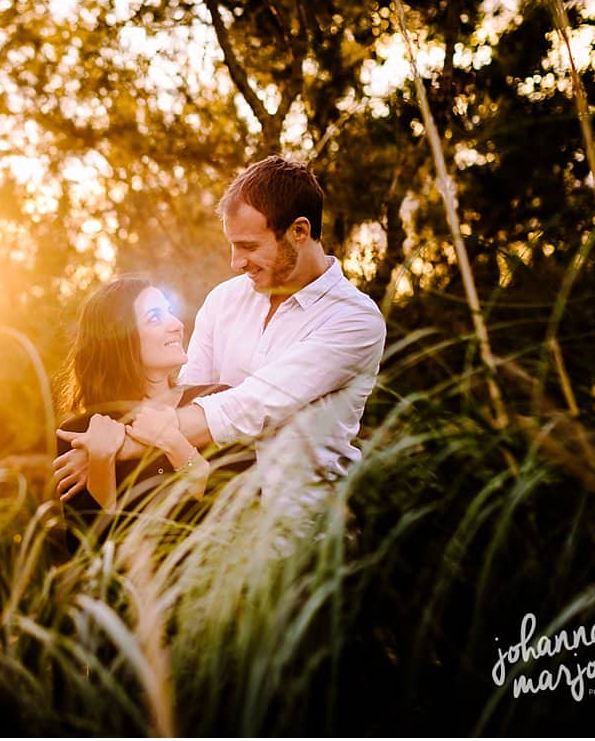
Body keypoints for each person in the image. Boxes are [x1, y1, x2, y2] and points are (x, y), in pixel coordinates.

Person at [55, 155, 387, 508]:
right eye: (232, 244)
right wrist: (102, 458)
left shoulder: (353, 319)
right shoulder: (225, 300)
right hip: (218, 529)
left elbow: (250, 405)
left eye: (248, 246)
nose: (235, 262)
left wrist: (115, 446)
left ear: (299, 232)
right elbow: (187, 398)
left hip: (306, 540)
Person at [55, 276, 226, 554]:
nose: (177, 325)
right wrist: (101, 461)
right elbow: (89, 554)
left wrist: (174, 442)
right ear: (119, 338)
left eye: (170, 312)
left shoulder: (214, 403)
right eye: (155, 318)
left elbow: (234, 523)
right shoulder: (80, 432)